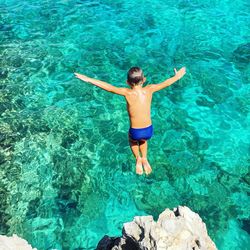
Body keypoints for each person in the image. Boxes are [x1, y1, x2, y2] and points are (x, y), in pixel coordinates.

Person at [74, 66, 186, 175]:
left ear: (128, 82)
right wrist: (178, 76)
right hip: (148, 130)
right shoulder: (150, 89)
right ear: (144, 80)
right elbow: (167, 82)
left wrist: (88, 79)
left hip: (135, 132)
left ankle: (138, 158)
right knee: (143, 141)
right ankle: (145, 159)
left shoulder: (127, 92)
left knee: (132, 140)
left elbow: (109, 87)